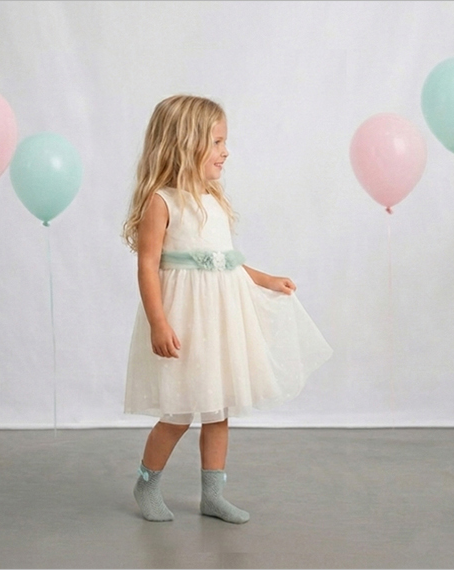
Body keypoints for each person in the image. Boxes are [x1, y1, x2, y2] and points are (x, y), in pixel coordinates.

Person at [120, 94, 332, 524]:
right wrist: (158, 322)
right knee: (178, 414)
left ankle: (212, 494)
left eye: (224, 142)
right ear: (185, 144)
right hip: (184, 322)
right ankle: (147, 484)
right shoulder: (162, 201)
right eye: (217, 142)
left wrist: (265, 279)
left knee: (219, 411)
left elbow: (225, 262)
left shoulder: (214, 199)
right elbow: (147, 267)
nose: (226, 151)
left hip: (220, 322)